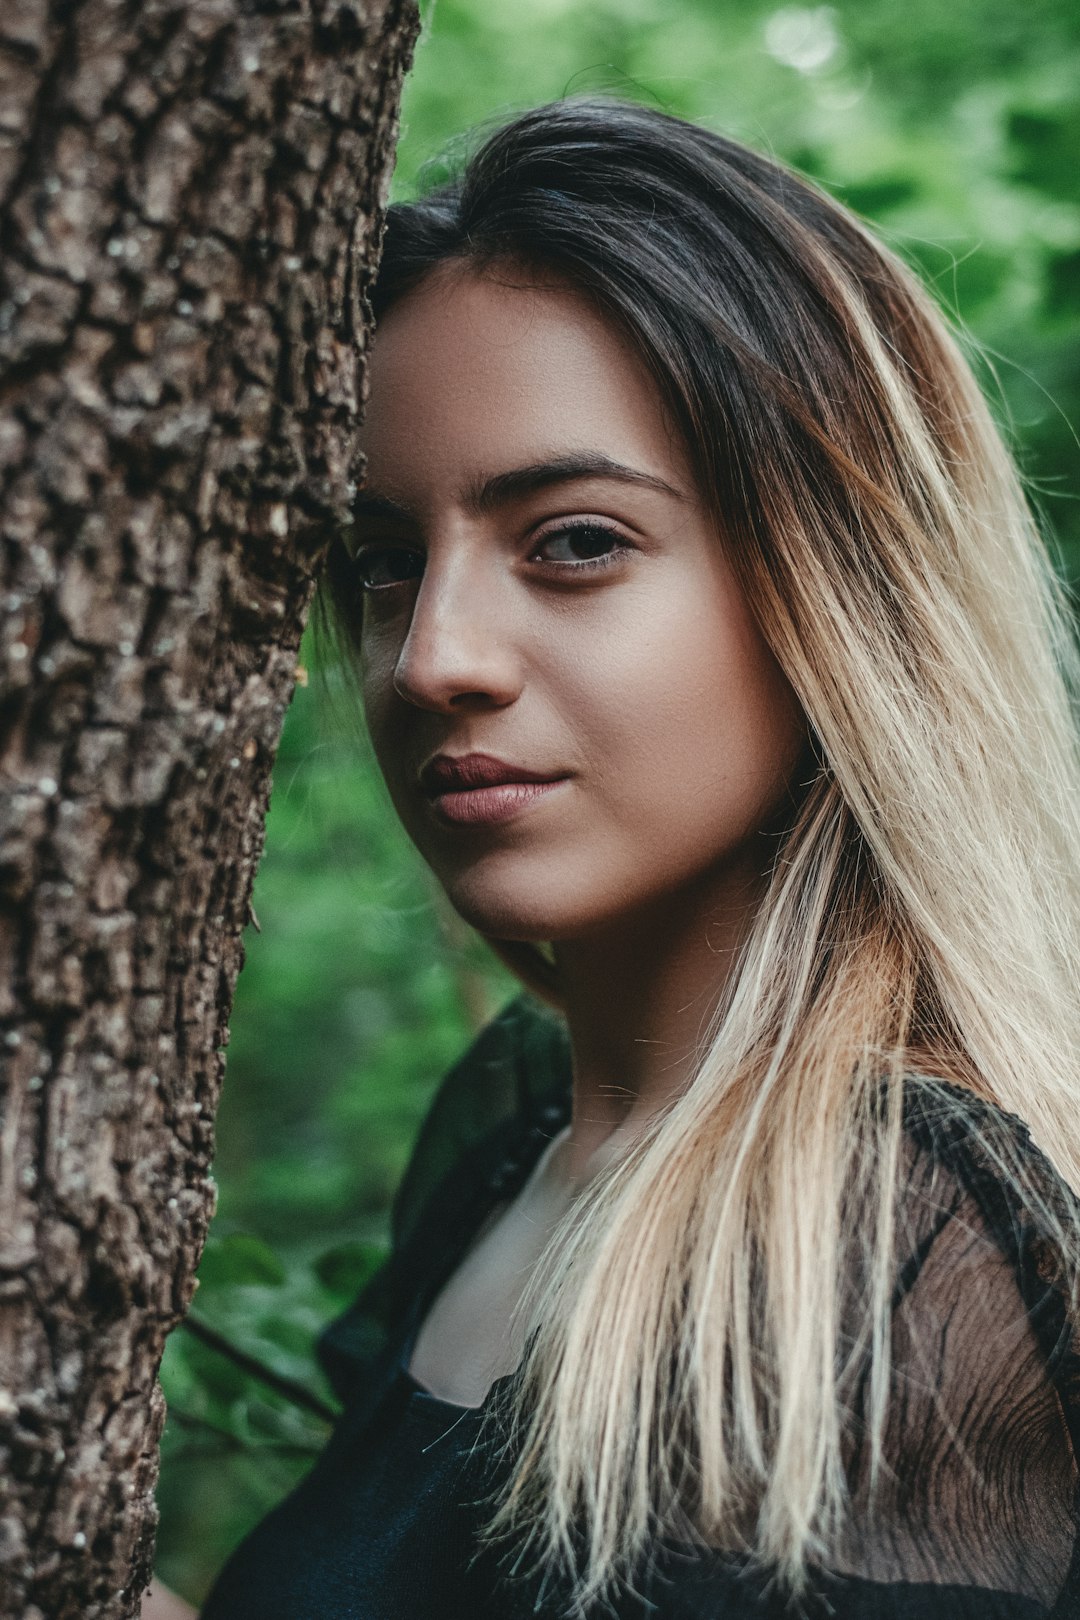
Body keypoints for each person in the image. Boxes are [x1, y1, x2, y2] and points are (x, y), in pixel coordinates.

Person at [151, 97, 1080, 1618]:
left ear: (834, 598)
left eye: (574, 542)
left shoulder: (900, 1242)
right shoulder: (513, 1138)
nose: (433, 656)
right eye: (389, 560)